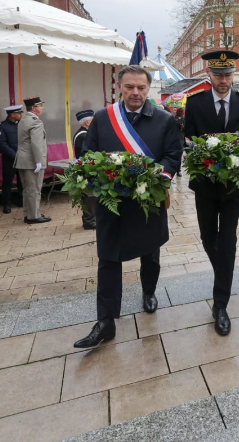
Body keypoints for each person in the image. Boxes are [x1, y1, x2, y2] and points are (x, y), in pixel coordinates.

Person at [74, 66, 183, 348]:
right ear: (119, 87)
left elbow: (173, 155)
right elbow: (88, 155)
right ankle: (106, 321)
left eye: (141, 88)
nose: (136, 93)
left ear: (148, 89)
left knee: (150, 254)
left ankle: (149, 291)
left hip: (148, 200)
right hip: (112, 204)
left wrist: (157, 177)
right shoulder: (103, 118)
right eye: (130, 87)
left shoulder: (164, 119)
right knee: (108, 259)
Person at [184, 50, 239, 335]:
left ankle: (220, 303)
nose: (223, 80)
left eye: (227, 75)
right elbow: (187, 136)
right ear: (209, 75)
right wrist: (197, 151)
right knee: (207, 236)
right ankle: (223, 271)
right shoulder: (195, 102)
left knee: (228, 240)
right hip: (204, 185)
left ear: (233, 76)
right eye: (218, 75)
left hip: (232, 187)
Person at [16, 96, 50, 224]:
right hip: (31, 161)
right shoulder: (36, 121)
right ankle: (34, 216)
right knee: (34, 189)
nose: (42, 108)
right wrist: (38, 161)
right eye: (40, 105)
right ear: (34, 108)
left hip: (23, 160)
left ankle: (29, 213)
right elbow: (36, 144)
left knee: (27, 189)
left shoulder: (24, 119)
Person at [0, 105, 24, 214]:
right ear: (12, 114)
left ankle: (21, 200)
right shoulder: (1, 127)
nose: (21, 115)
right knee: (7, 182)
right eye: (19, 113)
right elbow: (2, 145)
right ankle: (6, 204)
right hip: (9, 159)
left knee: (22, 181)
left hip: (22, 158)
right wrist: (15, 155)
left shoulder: (21, 125)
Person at [72, 109, 97, 230]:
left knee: (91, 196)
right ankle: (89, 221)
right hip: (86, 170)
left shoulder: (83, 133)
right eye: (93, 120)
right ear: (87, 122)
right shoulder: (83, 135)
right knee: (89, 197)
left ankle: (91, 219)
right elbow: (85, 155)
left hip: (86, 168)